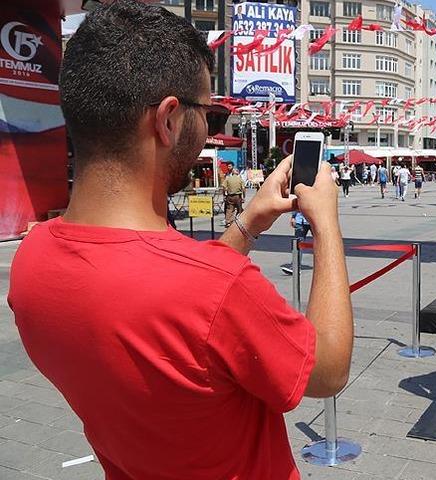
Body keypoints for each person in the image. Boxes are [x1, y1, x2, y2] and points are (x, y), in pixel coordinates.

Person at [7, 3, 353, 479]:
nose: (209, 128)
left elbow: (180, 306)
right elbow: (328, 370)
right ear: (169, 119)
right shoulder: (220, 288)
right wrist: (327, 224)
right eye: (209, 114)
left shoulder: (32, 260)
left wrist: (249, 221)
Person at [280, 210, 311, 276]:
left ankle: (326, 265)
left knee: (320, 243)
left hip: (315, 220)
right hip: (300, 221)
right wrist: (293, 217)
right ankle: (295, 268)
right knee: (298, 244)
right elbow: (296, 205)